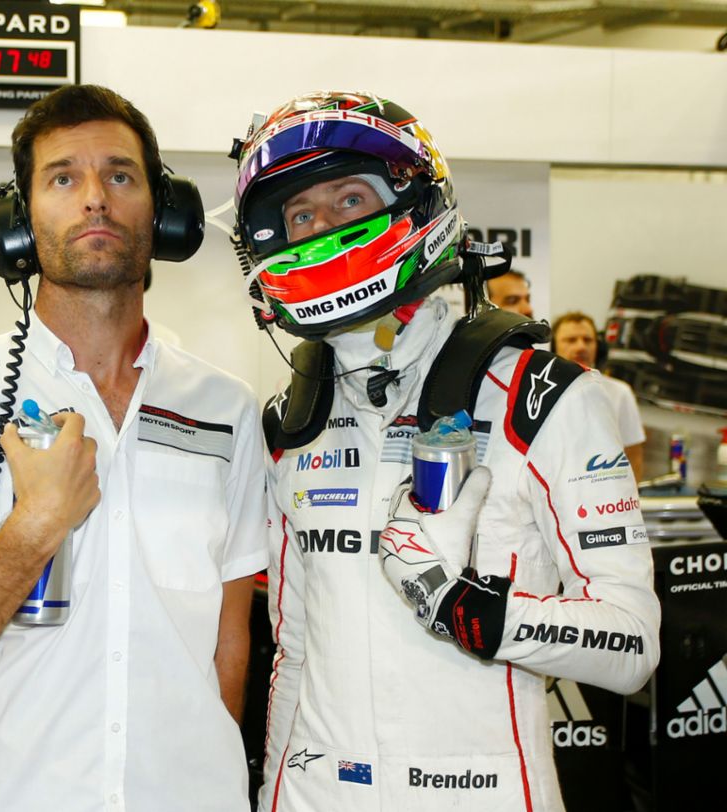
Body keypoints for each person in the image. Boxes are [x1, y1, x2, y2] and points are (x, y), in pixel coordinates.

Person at [231, 91, 660, 811]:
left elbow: (633, 645)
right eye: (300, 214)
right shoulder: (287, 420)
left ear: (413, 202)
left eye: (349, 198)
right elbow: (295, 655)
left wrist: (468, 608)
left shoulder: (548, 395)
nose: (324, 226)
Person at [0, 85, 269, 810]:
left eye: (120, 175)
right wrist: (35, 527)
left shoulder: (228, 409)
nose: (95, 198)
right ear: (19, 222)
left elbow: (228, 647)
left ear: (165, 212)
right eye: (63, 178)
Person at [553, 311, 646, 479]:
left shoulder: (620, 393)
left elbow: (633, 455)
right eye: (571, 340)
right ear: (553, 347)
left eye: (588, 340)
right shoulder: (540, 393)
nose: (581, 346)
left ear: (598, 347)